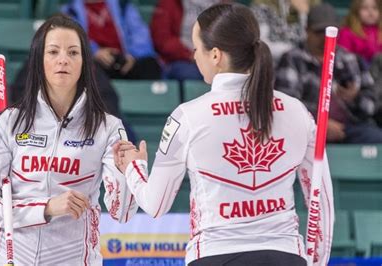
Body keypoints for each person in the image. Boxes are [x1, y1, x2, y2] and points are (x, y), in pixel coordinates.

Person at [114, 3, 333, 266]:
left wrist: (133, 168)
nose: (195, 57)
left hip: (215, 255)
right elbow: (323, 205)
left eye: (197, 49)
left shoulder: (188, 116)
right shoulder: (298, 112)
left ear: (215, 55)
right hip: (284, 254)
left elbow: (156, 204)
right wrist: (316, 262)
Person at [0, 14, 138, 265]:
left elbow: (122, 212)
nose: (63, 60)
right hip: (15, 258)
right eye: (53, 52)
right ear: (39, 61)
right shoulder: (9, 122)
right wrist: (47, 208)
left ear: (85, 62)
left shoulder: (108, 127)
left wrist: (131, 173)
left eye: (73, 52)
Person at [276, 3, 382, 144]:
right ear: (307, 30)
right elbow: (286, 106)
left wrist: (355, 97)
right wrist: (320, 124)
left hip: (348, 128)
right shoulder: (292, 58)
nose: (324, 38)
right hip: (307, 129)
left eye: (329, 32)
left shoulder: (349, 58)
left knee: (375, 137)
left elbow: (371, 105)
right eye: (319, 32)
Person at [61, 0, 162, 80]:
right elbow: (73, 39)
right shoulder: (71, 10)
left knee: (151, 65)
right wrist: (95, 52)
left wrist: (132, 56)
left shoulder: (122, 4)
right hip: (96, 63)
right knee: (88, 69)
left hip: (126, 60)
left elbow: (140, 33)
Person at [150, 0, 227, 81]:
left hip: (217, 58)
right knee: (193, 74)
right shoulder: (170, 2)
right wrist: (191, 55)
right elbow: (163, 39)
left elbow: (232, 37)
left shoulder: (224, 3)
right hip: (183, 60)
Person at [251, 0, 320, 63]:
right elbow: (261, 44)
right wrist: (292, 52)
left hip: (305, 68)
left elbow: (312, 44)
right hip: (272, 66)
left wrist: (304, 14)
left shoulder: (314, 6)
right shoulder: (262, 4)